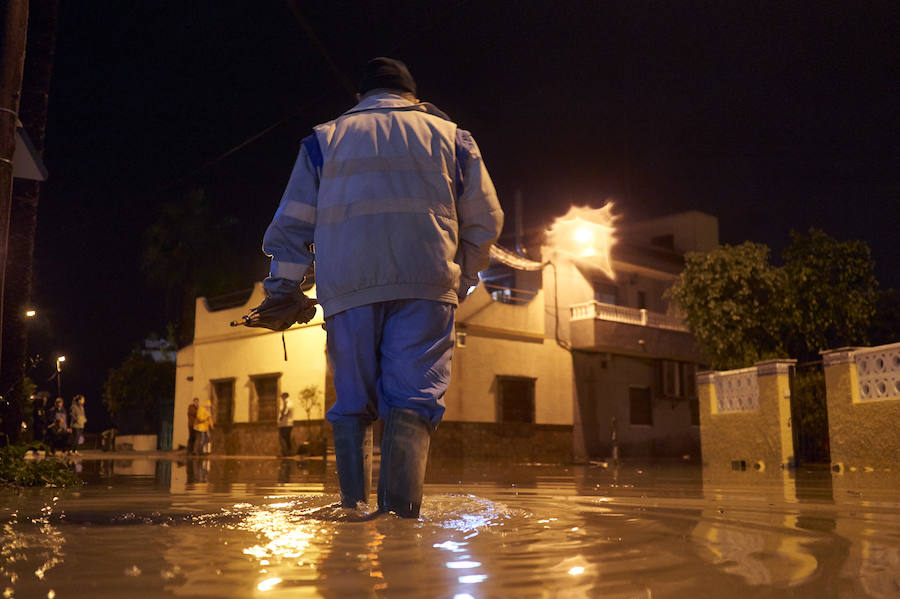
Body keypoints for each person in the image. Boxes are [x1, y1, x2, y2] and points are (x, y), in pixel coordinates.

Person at [260, 57, 503, 517]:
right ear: (414, 96)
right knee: (414, 398)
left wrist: (283, 289)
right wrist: (463, 279)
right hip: (428, 285)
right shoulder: (454, 138)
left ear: (360, 97)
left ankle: (352, 513)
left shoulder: (324, 140)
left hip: (347, 288)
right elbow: (486, 219)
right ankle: (401, 521)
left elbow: (293, 224)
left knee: (352, 399)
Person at [278, 392, 295, 457]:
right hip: (284, 423)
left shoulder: (288, 404)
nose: (281, 398)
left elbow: (286, 412)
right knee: (285, 438)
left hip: (286, 423)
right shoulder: (285, 404)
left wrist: (281, 417)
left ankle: (287, 452)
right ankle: (287, 452)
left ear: (285, 396)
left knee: (284, 438)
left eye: (282, 396)